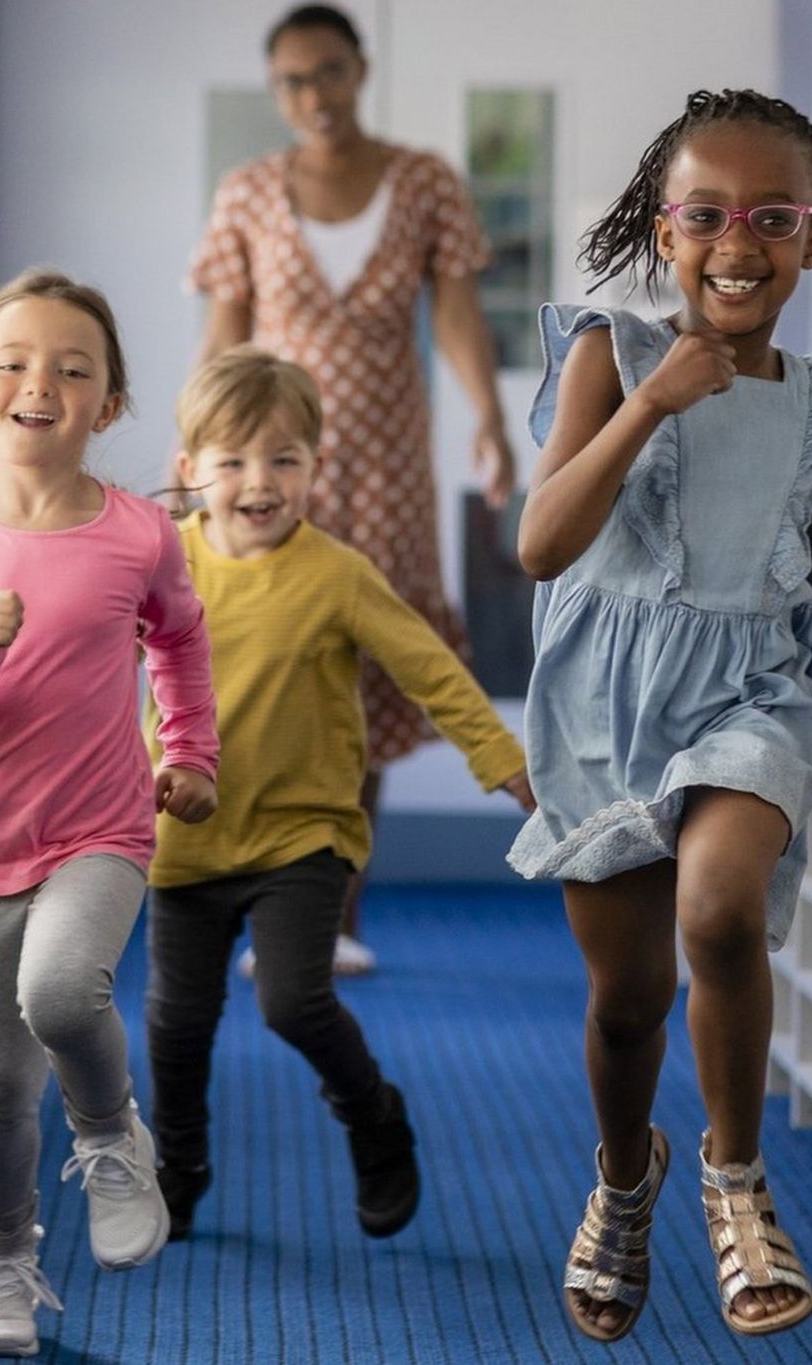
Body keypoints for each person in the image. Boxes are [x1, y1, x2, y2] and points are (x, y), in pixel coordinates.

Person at [508, 90, 812, 1341]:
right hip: (606, 697)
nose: (736, 243)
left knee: (717, 913)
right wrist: (654, 402)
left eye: (772, 217)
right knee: (625, 1004)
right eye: (704, 215)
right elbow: (542, 546)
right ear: (665, 235)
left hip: (752, 688)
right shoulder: (612, 348)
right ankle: (622, 1178)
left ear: (811, 240)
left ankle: (733, 1177)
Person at [0, 269, 220, 1358]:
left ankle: (113, 1137)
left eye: (74, 371)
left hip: (103, 830)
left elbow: (178, 641)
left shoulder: (136, 536)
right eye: (15, 364)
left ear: (107, 406)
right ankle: (5, 1267)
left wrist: (191, 753)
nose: (42, 385)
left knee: (63, 995)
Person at [143, 346, 534, 1244]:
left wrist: (501, 758)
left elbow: (431, 668)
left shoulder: (335, 574)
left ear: (317, 468)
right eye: (234, 459)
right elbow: (88, 675)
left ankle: (374, 1116)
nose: (260, 480)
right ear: (190, 469)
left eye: (285, 459)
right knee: (175, 1023)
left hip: (302, 837)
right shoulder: (162, 570)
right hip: (183, 838)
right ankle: (179, 1164)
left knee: (292, 1001)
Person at [188, 3, 516, 975]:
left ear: (359, 69)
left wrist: (490, 422)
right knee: (261, 665)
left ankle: (333, 918)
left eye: (327, 72)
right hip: (263, 467)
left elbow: (456, 315)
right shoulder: (246, 193)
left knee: (366, 678)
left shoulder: (423, 182)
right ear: (275, 92)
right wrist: (188, 444)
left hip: (384, 468)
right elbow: (223, 335)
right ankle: (255, 898)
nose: (312, 96)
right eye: (291, 81)